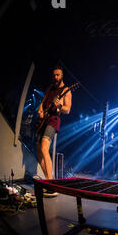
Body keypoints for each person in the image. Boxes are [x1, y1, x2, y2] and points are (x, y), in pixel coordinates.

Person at [36, 66, 72, 196]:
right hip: (43, 120)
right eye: (54, 75)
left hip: (53, 121)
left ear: (62, 76)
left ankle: (51, 185)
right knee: (39, 151)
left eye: (58, 75)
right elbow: (42, 102)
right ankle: (47, 181)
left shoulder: (66, 90)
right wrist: (40, 110)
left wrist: (59, 106)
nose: (55, 77)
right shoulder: (50, 88)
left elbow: (67, 110)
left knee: (45, 149)